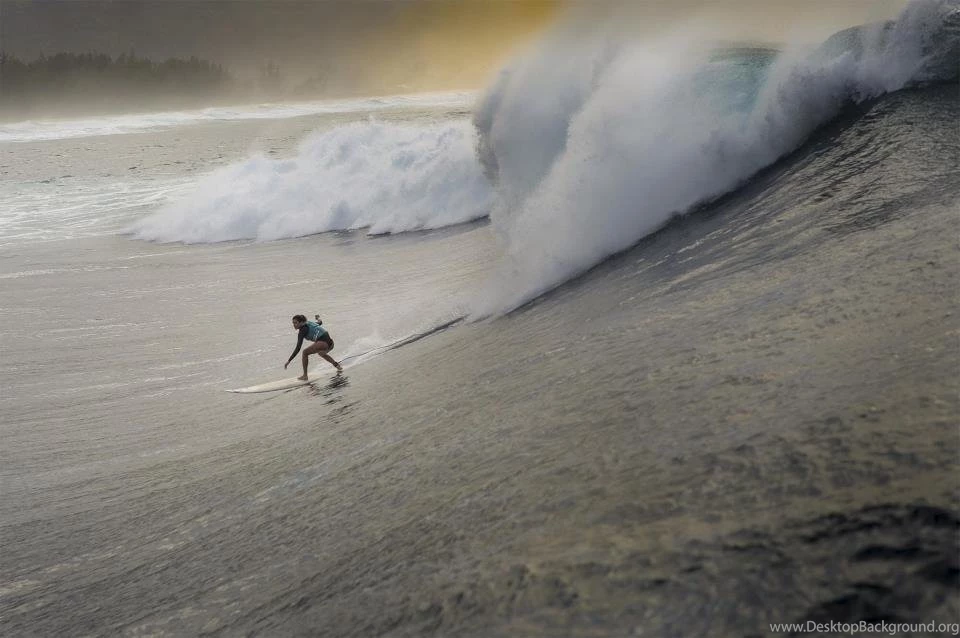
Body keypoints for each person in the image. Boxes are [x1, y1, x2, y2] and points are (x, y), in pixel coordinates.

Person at [285, 314, 342, 380]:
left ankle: (305, 375)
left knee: (305, 352)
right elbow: (320, 322)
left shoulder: (302, 330)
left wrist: (289, 360)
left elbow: (298, 347)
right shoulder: (309, 323)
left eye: (296, 323)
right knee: (321, 353)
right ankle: (337, 366)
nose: (294, 325)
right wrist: (317, 318)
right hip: (331, 343)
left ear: (301, 322)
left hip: (323, 343)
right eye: (293, 323)